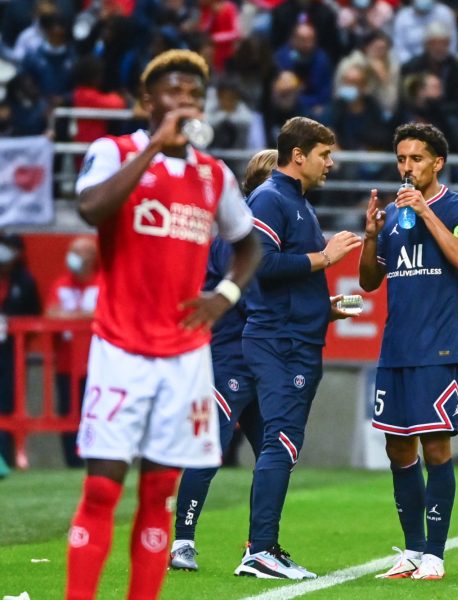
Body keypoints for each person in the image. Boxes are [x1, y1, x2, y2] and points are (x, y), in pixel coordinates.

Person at [64, 49, 262, 600]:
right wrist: (155, 145)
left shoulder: (213, 175)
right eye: (175, 92)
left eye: (195, 95)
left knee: (159, 498)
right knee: (102, 490)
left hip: (184, 357)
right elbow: (91, 210)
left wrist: (223, 296)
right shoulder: (114, 151)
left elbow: (248, 244)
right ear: (147, 102)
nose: (187, 102)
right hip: (121, 349)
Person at [234, 116, 362, 580]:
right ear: (299, 155)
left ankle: (262, 546)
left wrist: (323, 307)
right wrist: (324, 258)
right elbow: (259, 263)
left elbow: (286, 280)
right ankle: (260, 550)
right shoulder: (270, 197)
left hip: (295, 334)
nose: (331, 163)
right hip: (280, 341)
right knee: (281, 441)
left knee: (282, 442)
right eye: (325, 155)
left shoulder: (296, 201)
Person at [359, 122, 458, 581]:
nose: (407, 168)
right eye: (402, 159)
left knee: (436, 448)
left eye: (416, 159)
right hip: (395, 351)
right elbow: (369, 282)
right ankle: (411, 551)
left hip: (439, 349)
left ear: (437, 162)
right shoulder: (392, 215)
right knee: (397, 450)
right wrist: (372, 234)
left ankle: (435, 554)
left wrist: (426, 213)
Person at [169, 149, 278, 572]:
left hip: (257, 359)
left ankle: (261, 545)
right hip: (229, 357)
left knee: (275, 450)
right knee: (209, 450)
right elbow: (256, 302)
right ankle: (182, 541)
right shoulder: (234, 243)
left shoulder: (257, 240)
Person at [46, 236, 100, 468]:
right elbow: (50, 315)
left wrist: (69, 317)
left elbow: (103, 314)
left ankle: (95, 460)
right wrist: (85, 317)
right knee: (68, 413)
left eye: (78, 253)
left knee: (95, 415)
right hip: (66, 363)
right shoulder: (61, 284)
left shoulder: (102, 283)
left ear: (91, 257)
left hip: (97, 363)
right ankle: (72, 463)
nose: (72, 257)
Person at [0, 232, 41, 467]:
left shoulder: (24, 280)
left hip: (11, 354)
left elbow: (35, 314)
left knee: (7, 405)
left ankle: (5, 458)